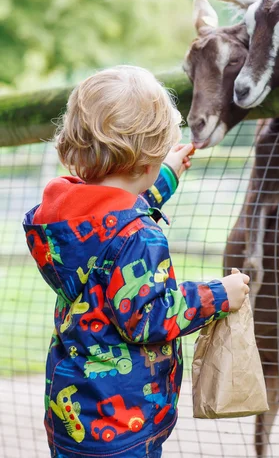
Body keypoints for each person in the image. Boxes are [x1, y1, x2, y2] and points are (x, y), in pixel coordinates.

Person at [23, 65, 250, 458]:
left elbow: (112, 221)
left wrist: (166, 177)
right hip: (123, 427)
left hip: (72, 417)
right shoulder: (140, 237)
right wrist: (218, 295)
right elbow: (149, 317)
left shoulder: (66, 221)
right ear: (146, 164)